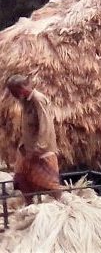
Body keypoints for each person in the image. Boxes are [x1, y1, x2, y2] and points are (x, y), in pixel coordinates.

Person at [7, 75, 62, 204]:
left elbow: (46, 124)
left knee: (49, 183)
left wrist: (39, 148)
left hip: (41, 151)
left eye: (13, 92)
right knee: (21, 179)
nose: (13, 95)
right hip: (27, 149)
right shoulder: (25, 101)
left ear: (20, 89)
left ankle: (60, 205)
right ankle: (30, 204)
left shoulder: (38, 100)